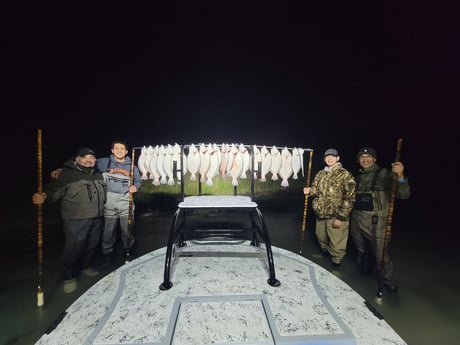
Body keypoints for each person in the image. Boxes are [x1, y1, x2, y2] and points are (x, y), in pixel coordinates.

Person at [52, 140, 142, 263]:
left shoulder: (132, 166)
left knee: (128, 231)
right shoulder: (104, 162)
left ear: (126, 152)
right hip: (108, 205)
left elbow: (138, 180)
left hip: (126, 204)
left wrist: (135, 187)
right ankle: (107, 254)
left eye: (122, 149)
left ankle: (128, 251)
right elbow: (82, 166)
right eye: (116, 148)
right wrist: (61, 170)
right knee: (108, 232)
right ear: (112, 150)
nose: (119, 151)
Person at [32, 148, 106, 293]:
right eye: (84, 158)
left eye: (92, 158)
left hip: (97, 217)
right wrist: (44, 196)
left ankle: (86, 267)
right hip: (75, 220)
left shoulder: (98, 175)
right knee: (73, 249)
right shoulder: (67, 175)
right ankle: (69, 277)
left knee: (92, 245)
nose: (88, 160)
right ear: (77, 159)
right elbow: (54, 189)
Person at [350, 147, 410, 292]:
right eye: (362, 157)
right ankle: (363, 278)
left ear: (374, 159)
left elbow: (403, 194)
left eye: (368, 156)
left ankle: (390, 286)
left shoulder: (384, 174)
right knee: (361, 251)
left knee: (381, 257)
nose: (365, 159)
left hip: (377, 223)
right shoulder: (357, 177)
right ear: (358, 160)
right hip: (357, 220)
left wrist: (401, 176)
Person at [304, 148, 356, 268]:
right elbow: (316, 189)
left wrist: (341, 217)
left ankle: (336, 264)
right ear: (324, 159)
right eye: (327, 156)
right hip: (321, 214)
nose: (330, 158)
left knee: (336, 243)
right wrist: (310, 191)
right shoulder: (321, 173)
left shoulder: (345, 174)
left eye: (333, 156)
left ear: (338, 158)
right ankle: (326, 256)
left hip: (336, 216)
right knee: (321, 238)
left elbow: (350, 198)